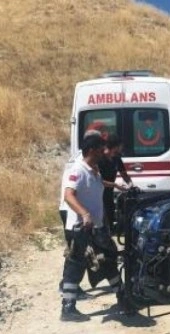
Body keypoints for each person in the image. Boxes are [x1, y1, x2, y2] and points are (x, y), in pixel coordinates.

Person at [59, 135, 121, 322]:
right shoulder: (78, 169)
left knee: (109, 259)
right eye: (101, 148)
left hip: (97, 227)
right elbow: (69, 195)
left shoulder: (93, 170)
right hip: (81, 228)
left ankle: (123, 297)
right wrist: (85, 214)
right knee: (76, 266)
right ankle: (68, 308)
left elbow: (98, 184)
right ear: (92, 150)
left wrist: (116, 186)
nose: (105, 151)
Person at [98, 133, 133, 233]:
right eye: (120, 146)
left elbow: (124, 174)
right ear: (115, 146)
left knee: (110, 215)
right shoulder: (100, 159)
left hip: (109, 193)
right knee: (102, 218)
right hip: (99, 194)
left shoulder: (116, 159)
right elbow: (97, 181)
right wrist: (115, 185)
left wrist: (130, 184)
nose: (121, 149)